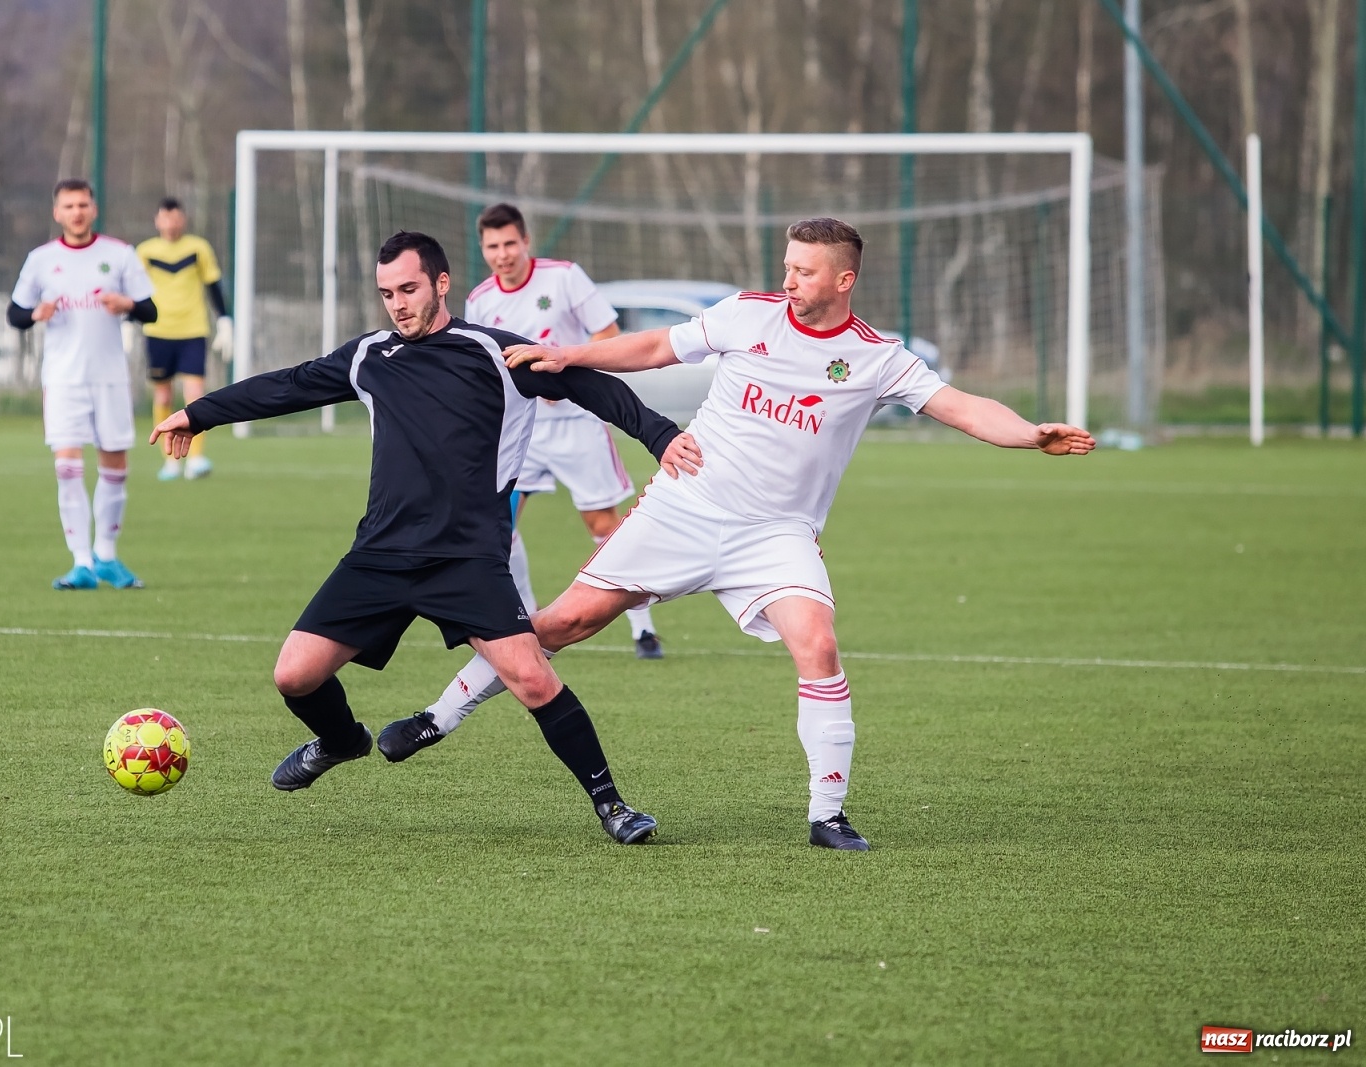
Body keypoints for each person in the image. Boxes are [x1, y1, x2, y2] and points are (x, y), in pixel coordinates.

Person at [377, 217, 1095, 850]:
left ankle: (828, 815)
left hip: (776, 535)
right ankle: (439, 715)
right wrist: (571, 356)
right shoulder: (749, 314)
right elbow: (656, 347)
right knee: (562, 623)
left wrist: (1031, 434)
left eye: (804, 271)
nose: (789, 280)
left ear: (844, 280)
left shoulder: (877, 356)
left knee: (818, 644)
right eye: (787, 266)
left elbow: (961, 405)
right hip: (685, 507)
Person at [149, 231, 705, 844]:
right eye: (387, 293)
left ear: (441, 283)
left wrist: (658, 435)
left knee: (532, 679)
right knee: (294, 676)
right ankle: (341, 740)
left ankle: (613, 807)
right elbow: (289, 384)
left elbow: (588, 385)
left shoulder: (494, 353)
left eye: (408, 289)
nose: (398, 303)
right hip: (379, 555)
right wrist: (198, 413)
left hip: (466, 558)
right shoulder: (369, 356)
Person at [467, 203, 664, 659]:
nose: (502, 254)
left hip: (577, 422)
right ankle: (525, 623)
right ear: (483, 249)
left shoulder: (563, 277)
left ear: (526, 241)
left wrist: (565, 371)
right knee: (498, 524)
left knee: (602, 525)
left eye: (510, 243)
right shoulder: (479, 299)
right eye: (493, 246)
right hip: (519, 429)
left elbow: (608, 333)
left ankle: (643, 630)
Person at [8, 178, 157, 591]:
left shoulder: (119, 254)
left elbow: (150, 310)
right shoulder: (41, 260)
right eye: (69, 206)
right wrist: (36, 313)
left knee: (115, 466)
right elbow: (15, 314)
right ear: (57, 212)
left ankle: (106, 555)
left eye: (83, 205)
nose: (77, 212)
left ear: (94, 209)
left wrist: (127, 304)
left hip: (109, 378)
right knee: (68, 468)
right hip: (63, 379)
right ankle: (81, 563)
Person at [136, 197, 232, 481]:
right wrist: (128, 325)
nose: (172, 223)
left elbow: (213, 285)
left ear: (184, 219)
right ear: (157, 221)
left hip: (192, 330)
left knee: (195, 394)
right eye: (166, 218)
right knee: (163, 394)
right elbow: (135, 292)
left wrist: (225, 320)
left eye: (176, 217)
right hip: (158, 331)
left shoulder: (198, 248)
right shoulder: (146, 251)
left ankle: (196, 457)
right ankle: (170, 461)